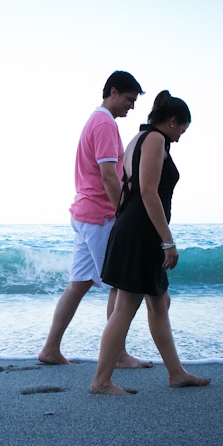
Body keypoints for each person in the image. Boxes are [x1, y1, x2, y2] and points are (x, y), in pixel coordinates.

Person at [90, 90, 211, 395]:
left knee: (160, 302)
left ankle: (176, 372)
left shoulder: (136, 140)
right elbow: (147, 192)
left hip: (132, 228)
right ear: (172, 121)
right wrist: (167, 241)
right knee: (126, 306)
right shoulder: (156, 140)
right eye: (182, 130)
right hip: (141, 232)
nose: (181, 137)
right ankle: (101, 381)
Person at [39, 71, 152, 369]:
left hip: (85, 214)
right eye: (129, 99)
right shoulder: (103, 123)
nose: (132, 107)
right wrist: (123, 211)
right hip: (100, 215)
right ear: (113, 92)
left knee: (79, 284)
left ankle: (50, 349)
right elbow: (107, 175)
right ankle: (117, 354)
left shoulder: (97, 121)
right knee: (121, 284)